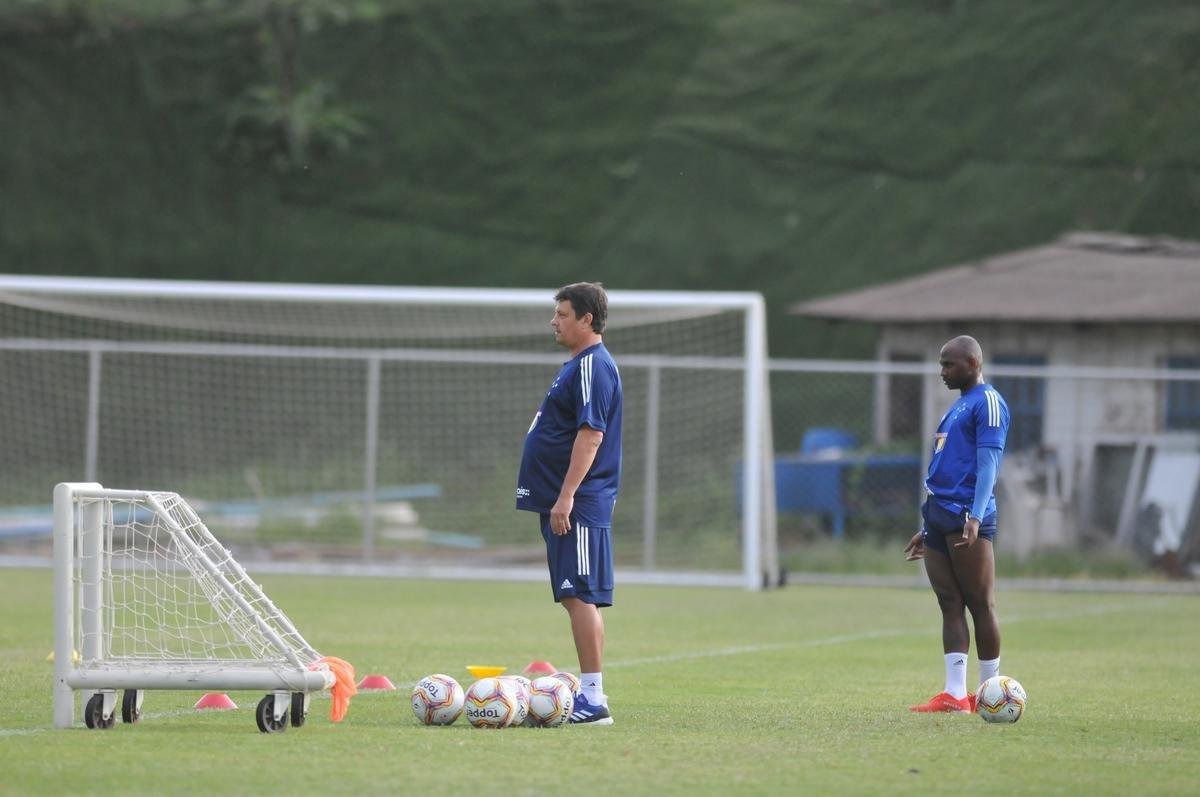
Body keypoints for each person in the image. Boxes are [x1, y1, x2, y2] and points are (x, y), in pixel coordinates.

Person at [516, 282, 622, 726]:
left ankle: (594, 700)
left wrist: (565, 497)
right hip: (567, 503)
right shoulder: (578, 365)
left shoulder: (592, 367)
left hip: (576, 504)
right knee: (575, 595)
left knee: (579, 595)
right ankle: (590, 692)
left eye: (562, 314)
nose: (553, 321)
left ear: (587, 320)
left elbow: (591, 435)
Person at [905, 335, 1010, 713]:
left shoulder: (989, 403)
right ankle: (954, 694)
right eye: (941, 364)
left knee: (980, 603)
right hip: (937, 514)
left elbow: (987, 466)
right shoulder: (959, 407)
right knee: (949, 601)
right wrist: (928, 525)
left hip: (968, 513)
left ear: (973, 362)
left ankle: (989, 692)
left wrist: (977, 515)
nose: (943, 372)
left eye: (949, 364)